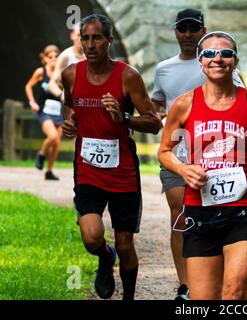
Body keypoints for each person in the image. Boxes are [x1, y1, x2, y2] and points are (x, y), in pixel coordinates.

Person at [158, 31, 247, 300]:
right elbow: (164, 151)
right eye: (209, 53)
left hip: (244, 212)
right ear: (200, 61)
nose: (217, 58)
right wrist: (183, 168)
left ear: (235, 60)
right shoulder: (184, 105)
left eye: (225, 53)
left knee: (234, 293)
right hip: (200, 210)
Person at [61, 14, 162, 300]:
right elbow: (69, 106)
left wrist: (124, 118)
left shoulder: (127, 76)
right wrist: (69, 122)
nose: (91, 44)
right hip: (88, 167)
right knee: (91, 236)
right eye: (86, 38)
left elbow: (154, 123)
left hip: (123, 171)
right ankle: (106, 258)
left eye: (97, 38)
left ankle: (128, 296)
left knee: (126, 244)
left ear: (109, 40)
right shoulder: (71, 74)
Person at [151, 8, 244, 300]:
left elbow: (243, 104)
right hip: (177, 156)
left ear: (203, 31)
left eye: (194, 28)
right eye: (183, 29)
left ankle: (215, 274)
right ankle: (186, 285)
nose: (188, 34)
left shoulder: (220, 63)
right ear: (176, 32)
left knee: (217, 214)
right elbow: (155, 102)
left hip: (218, 158)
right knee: (181, 213)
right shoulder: (164, 69)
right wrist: (162, 115)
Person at [25, 44, 63, 180]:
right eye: (50, 57)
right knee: (52, 136)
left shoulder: (61, 74)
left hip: (58, 112)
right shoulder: (40, 72)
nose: (53, 59)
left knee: (57, 143)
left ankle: (49, 171)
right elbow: (28, 86)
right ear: (45, 59)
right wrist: (32, 102)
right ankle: (41, 154)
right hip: (44, 111)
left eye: (56, 56)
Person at [48, 23, 85, 99]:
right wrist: (62, 96)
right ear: (72, 35)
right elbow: (52, 84)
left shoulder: (93, 55)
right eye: (78, 35)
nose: (81, 39)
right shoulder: (65, 56)